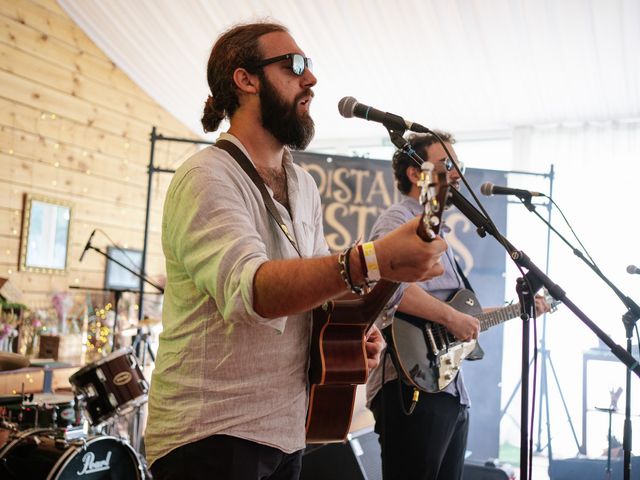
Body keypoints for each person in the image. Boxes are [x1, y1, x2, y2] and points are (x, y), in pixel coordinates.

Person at [144, 22, 449, 480]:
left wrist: (351, 335)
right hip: (212, 436)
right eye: (295, 66)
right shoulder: (207, 177)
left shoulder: (303, 184)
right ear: (245, 79)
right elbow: (254, 292)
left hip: (288, 428)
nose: (312, 80)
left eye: (310, 67)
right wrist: (373, 258)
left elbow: (323, 295)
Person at [366, 131, 551, 480]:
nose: (456, 174)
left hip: (446, 387)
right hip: (412, 383)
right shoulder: (398, 221)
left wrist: (520, 308)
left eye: (458, 166)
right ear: (415, 173)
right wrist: (451, 317)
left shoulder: (438, 235)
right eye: (446, 165)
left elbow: (467, 318)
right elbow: (386, 287)